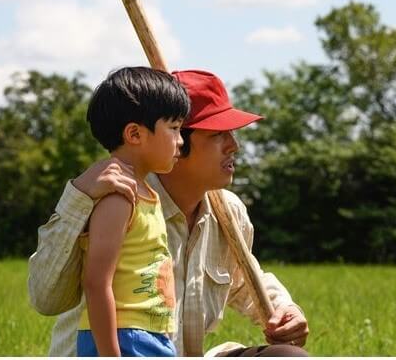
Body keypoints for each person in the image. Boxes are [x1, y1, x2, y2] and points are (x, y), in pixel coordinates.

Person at [28, 69, 310, 357]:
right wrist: (78, 198)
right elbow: (45, 299)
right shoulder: (117, 197)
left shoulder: (229, 212)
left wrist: (285, 309)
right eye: (217, 134)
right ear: (179, 141)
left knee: (288, 357)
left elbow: (244, 280)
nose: (234, 145)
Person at [76, 67, 190, 356]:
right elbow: (96, 282)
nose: (181, 141)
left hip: (149, 335)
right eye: (174, 128)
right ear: (135, 134)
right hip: (124, 337)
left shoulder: (146, 194)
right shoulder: (119, 197)